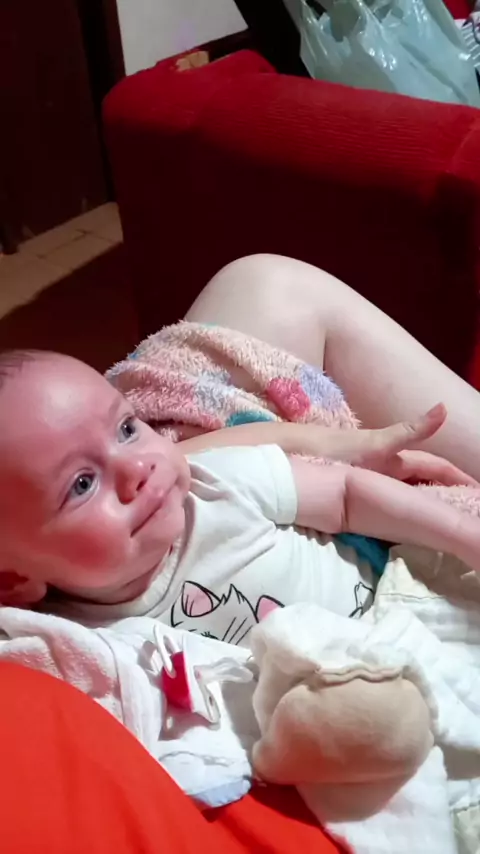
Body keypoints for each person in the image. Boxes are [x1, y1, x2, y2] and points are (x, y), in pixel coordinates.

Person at [0, 344, 479, 631]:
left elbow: (347, 495)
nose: (138, 467)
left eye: (127, 428)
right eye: (82, 484)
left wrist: (463, 535)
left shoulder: (216, 482)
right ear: (12, 581)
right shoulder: (70, 645)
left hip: (405, 609)